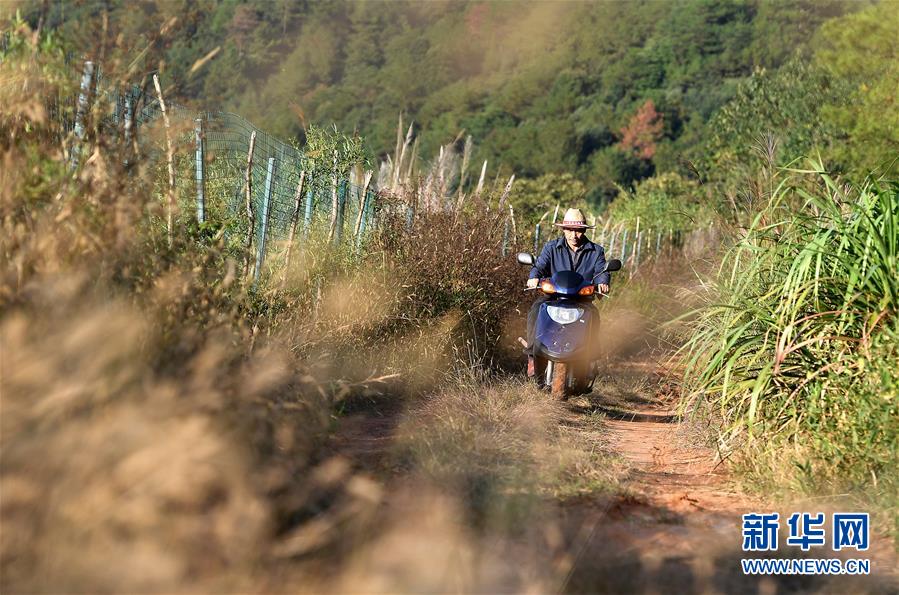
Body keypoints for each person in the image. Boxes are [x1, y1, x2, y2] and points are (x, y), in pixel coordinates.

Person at [525, 208, 610, 359]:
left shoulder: (596, 251)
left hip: (581, 299)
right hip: (553, 297)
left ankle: (591, 357)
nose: (574, 235)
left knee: (594, 314)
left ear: (584, 230)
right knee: (536, 309)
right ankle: (533, 353)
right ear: (563, 229)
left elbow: (602, 271)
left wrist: (603, 283)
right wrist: (534, 277)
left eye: (578, 231)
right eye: (570, 230)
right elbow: (539, 266)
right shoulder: (551, 248)